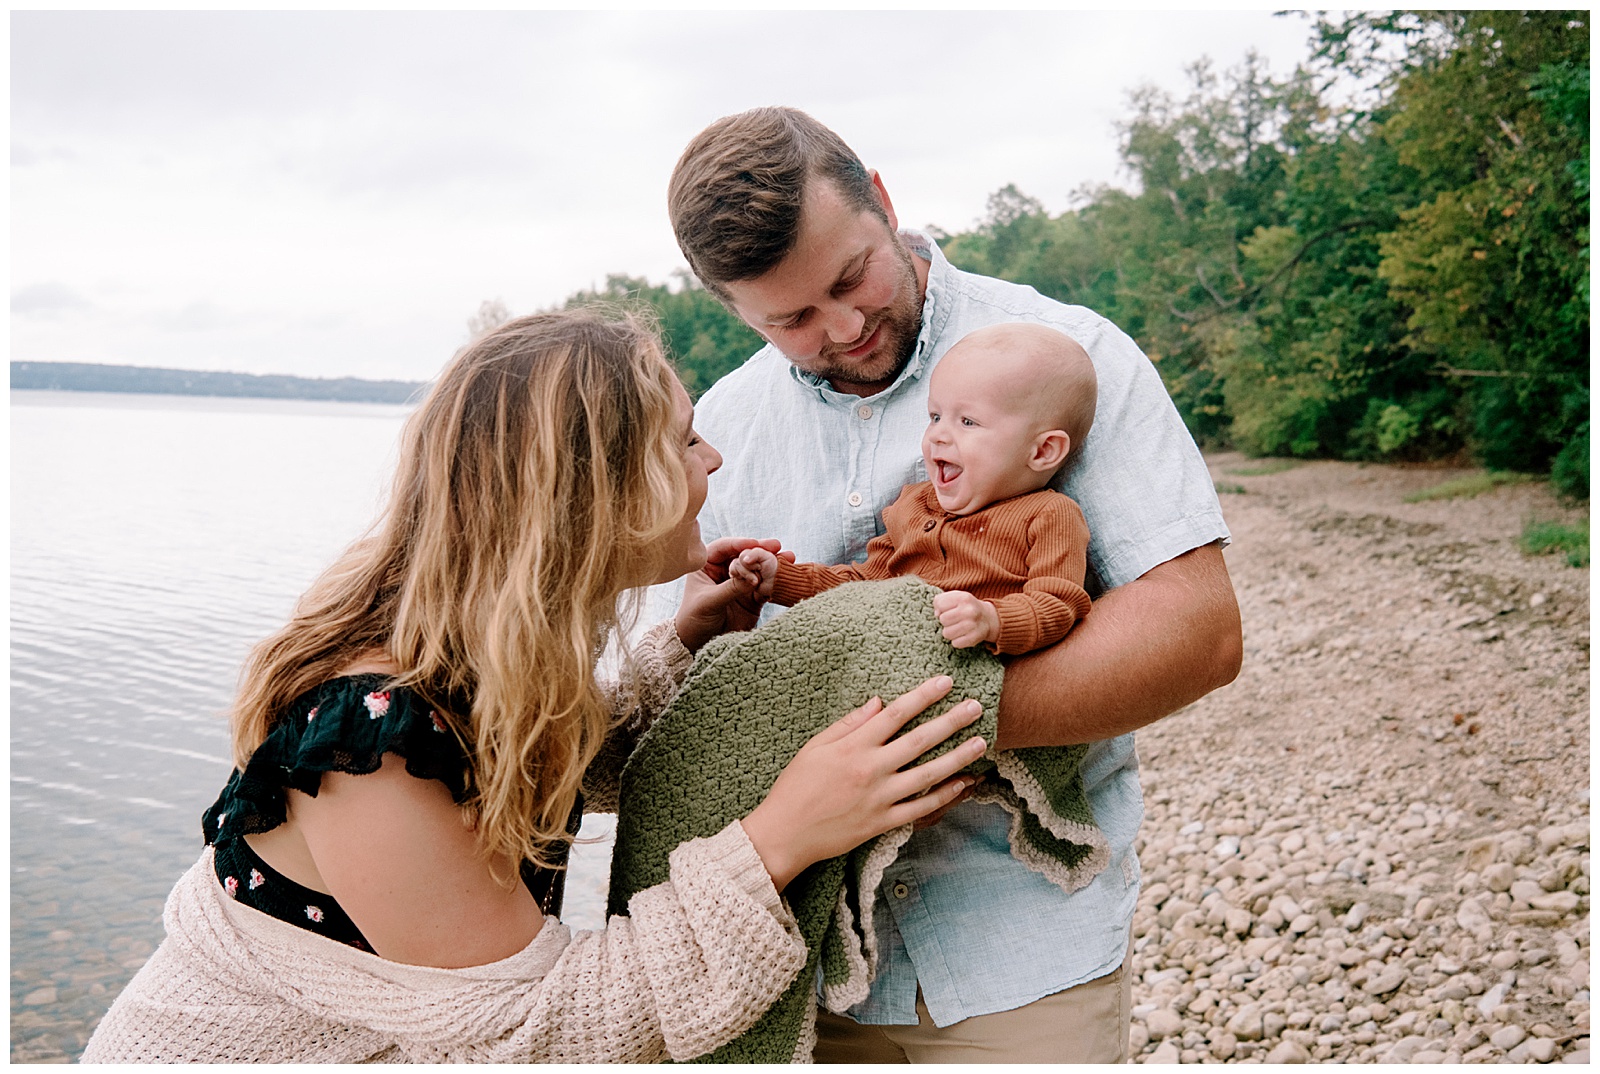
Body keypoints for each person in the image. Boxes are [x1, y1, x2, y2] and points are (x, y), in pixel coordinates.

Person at [80, 307, 990, 1064]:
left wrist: (682, 642)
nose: (712, 461)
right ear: (592, 488)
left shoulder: (457, 653)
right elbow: (538, 1032)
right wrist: (781, 837)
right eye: (684, 440)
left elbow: (548, 767)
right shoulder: (369, 739)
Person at [659, 107, 1243, 1063]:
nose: (843, 327)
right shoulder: (719, 428)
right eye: (792, 319)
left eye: (853, 278)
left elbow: (1200, 633)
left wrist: (901, 740)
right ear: (733, 310)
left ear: (883, 202)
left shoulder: (1065, 356)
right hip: (787, 968)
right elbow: (705, 697)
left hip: (1019, 955)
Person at [730, 321, 1097, 656]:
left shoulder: (1049, 515)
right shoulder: (914, 505)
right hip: (886, 659)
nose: (937, 433)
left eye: (968, 421)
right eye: (935, 416)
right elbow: (862, 585)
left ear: (1043, 451)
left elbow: (1057, 603)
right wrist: (781, 578)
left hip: (966, 667)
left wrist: (991, 620)